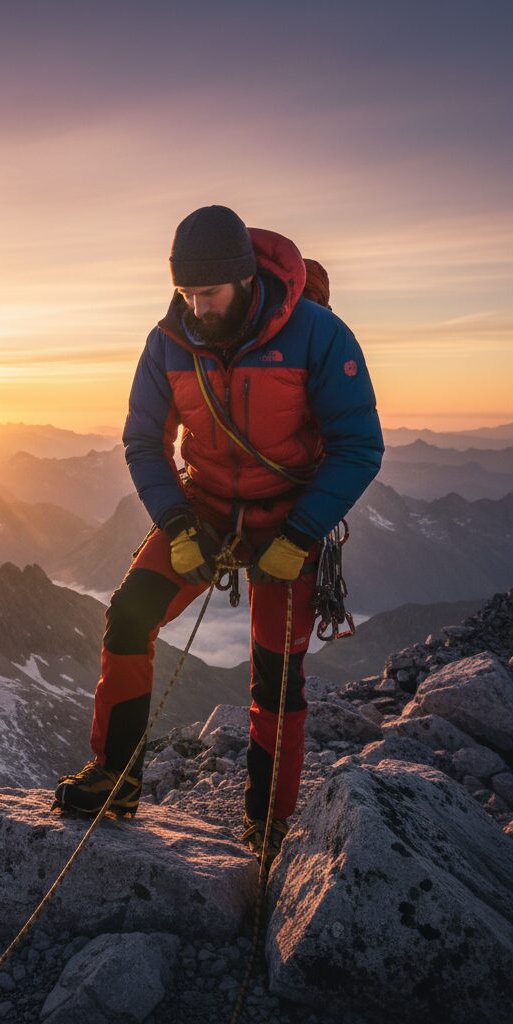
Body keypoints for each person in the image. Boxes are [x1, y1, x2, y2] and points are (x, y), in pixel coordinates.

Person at [53, 205, 383, 862]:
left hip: (289, 520)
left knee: (275, 675)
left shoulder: (317, 334)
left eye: (209, 293)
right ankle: (114, 779)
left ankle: (269, 822)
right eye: (186, 293)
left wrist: (299, 536)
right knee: (127, 619)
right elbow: (145, 442)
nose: (197, 307)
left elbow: (358, 446)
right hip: (200, 514)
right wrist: (176, 523)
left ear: (243, 280)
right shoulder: (168, 343)